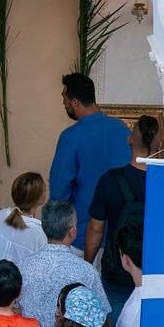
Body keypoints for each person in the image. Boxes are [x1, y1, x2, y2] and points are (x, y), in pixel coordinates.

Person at [83, 114, 158, 321]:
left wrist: (88, 264)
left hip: (118, 270)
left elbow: (96, 229)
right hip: (155, 272)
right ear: (158, 144)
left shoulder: (110, 180)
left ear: (129, 140)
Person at [15, 201, 109, 327]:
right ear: (72, 231)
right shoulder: (87, 271)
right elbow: (101, 315)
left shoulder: (21, 267)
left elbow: (13, 308)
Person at [48, 74, 130, 248]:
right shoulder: (122, 129)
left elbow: (59, 191)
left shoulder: (71, 137)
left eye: (64, 98)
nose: (63, 103)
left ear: (75, 102)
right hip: (119, 232)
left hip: (82, 235)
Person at [0, 172, 49, 268]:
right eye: (44, 190)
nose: (46, 193)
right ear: (37, 198)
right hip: (19, 277)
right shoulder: (38, 231)